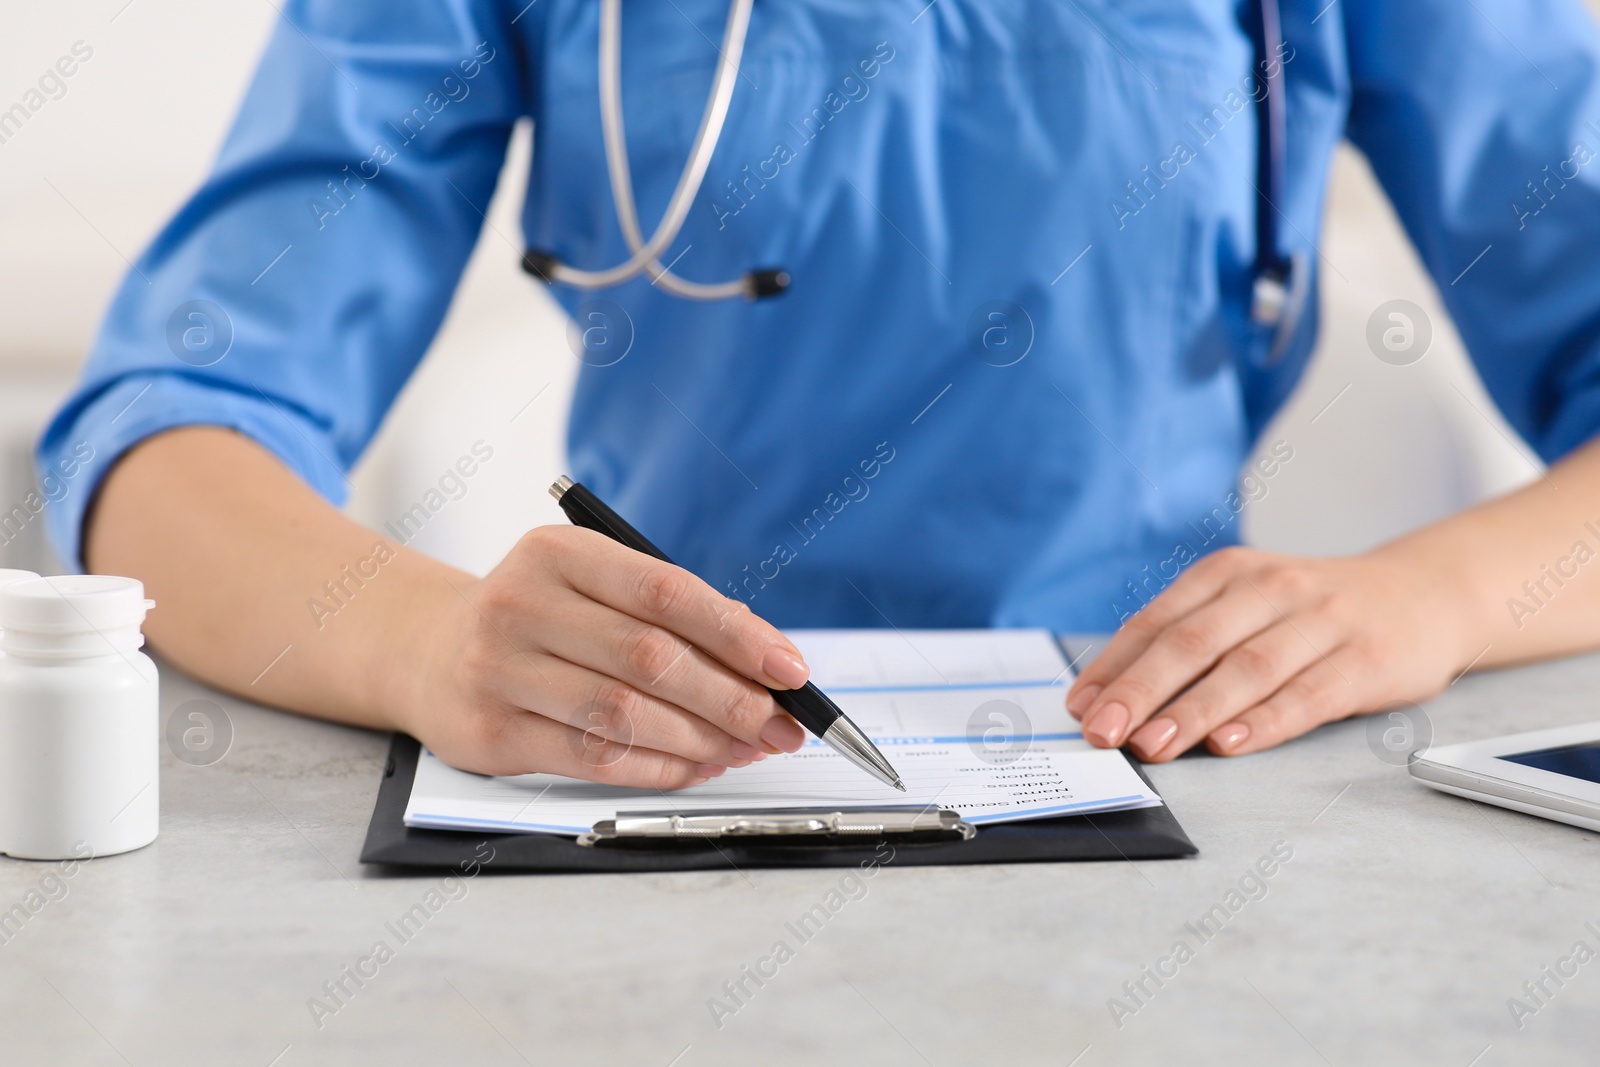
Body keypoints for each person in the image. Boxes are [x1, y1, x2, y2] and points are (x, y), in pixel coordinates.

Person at [40, 0, 1600, 787]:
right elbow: (165, 439)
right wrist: (422, 640)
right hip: (631, 791)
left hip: (1168, 779)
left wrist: (1433, 601)